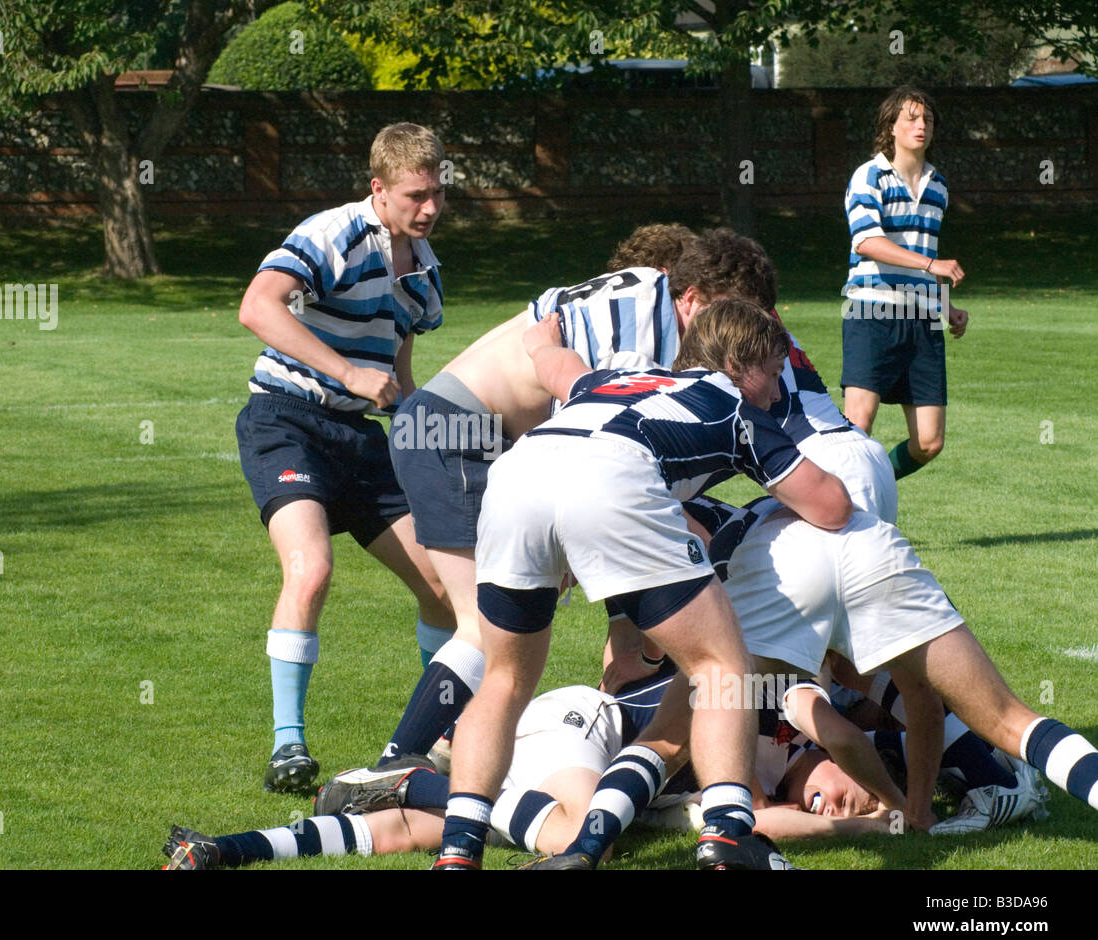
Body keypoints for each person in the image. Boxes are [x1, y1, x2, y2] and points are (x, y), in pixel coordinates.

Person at [432, 300, 853, 871]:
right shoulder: (736, 412)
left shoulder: (620, 377)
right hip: (612, 475)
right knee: (722, 668)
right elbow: (829, 505)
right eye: (774, 371)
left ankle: (458, 854)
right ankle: (728, 837)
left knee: (505, 679)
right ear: (736, 362)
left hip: (517, 473)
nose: (779, 392)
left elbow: (557, 366)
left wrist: (539, 341)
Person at [378, 227, 777, 770]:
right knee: (482, 625)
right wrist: (625, 620)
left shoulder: (646, 298)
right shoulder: (642, 322)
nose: (736, 341)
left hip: (478, 435)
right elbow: (609, 455)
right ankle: (395, 763)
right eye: (729, 318)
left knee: (494, 624)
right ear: (693, 298)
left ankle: (445, 743)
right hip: (460, 434)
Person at [235, 122, 455, 792]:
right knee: (312, 570)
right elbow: (258, 307)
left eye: (438, 193)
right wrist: (349, 374)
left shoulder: (422, 269)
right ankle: (288, 748)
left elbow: (401, 375)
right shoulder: (332, 235)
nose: (431, 209)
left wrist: (436, 445)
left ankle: (432, 743)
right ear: (378, 188)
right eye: (417, 195)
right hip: (286, 422)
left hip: (361, 440)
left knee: (444, 588)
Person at [679, 491, 1096, 834]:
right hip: (842, 525)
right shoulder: (775, 722)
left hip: (789, 545)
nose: (831, 806)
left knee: (857, 680)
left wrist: (895, 810)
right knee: (991, 713)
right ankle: (992, 765)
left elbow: (838, 742)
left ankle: (992, 773)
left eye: (818, 802)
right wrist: (900, 814)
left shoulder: (766, 694)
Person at [161, 680, 671, 869]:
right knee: (585, 842)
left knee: (402, 833)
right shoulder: (728, 691)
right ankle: (410, 779)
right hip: (576, 723)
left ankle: (223, 849)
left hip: (548, 756)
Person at [841, 85, 970, 480]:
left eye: (927, 119)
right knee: (857, 427)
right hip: (871, 311)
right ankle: (840, 511)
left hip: (923, 318)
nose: (921, 125)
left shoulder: (939, 186)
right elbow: (867, 242)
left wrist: (948, 308)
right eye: (911, 118)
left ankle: (873, 483)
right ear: (891, 127)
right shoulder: (869, 176)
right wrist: (933, 265)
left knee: (929, 442)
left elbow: (920, 250)